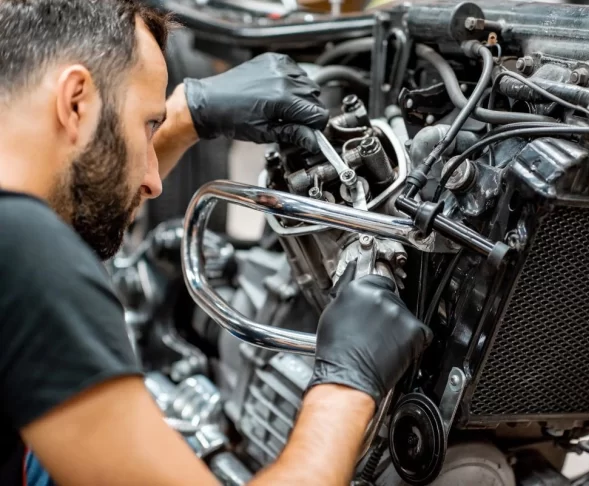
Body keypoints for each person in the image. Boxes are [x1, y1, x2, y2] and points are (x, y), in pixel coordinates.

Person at [0, 1, 432, 485]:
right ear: (75, 100)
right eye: (147, 125)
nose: (153, 182)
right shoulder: (26, 253)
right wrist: (347, 385)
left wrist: (186, 114)